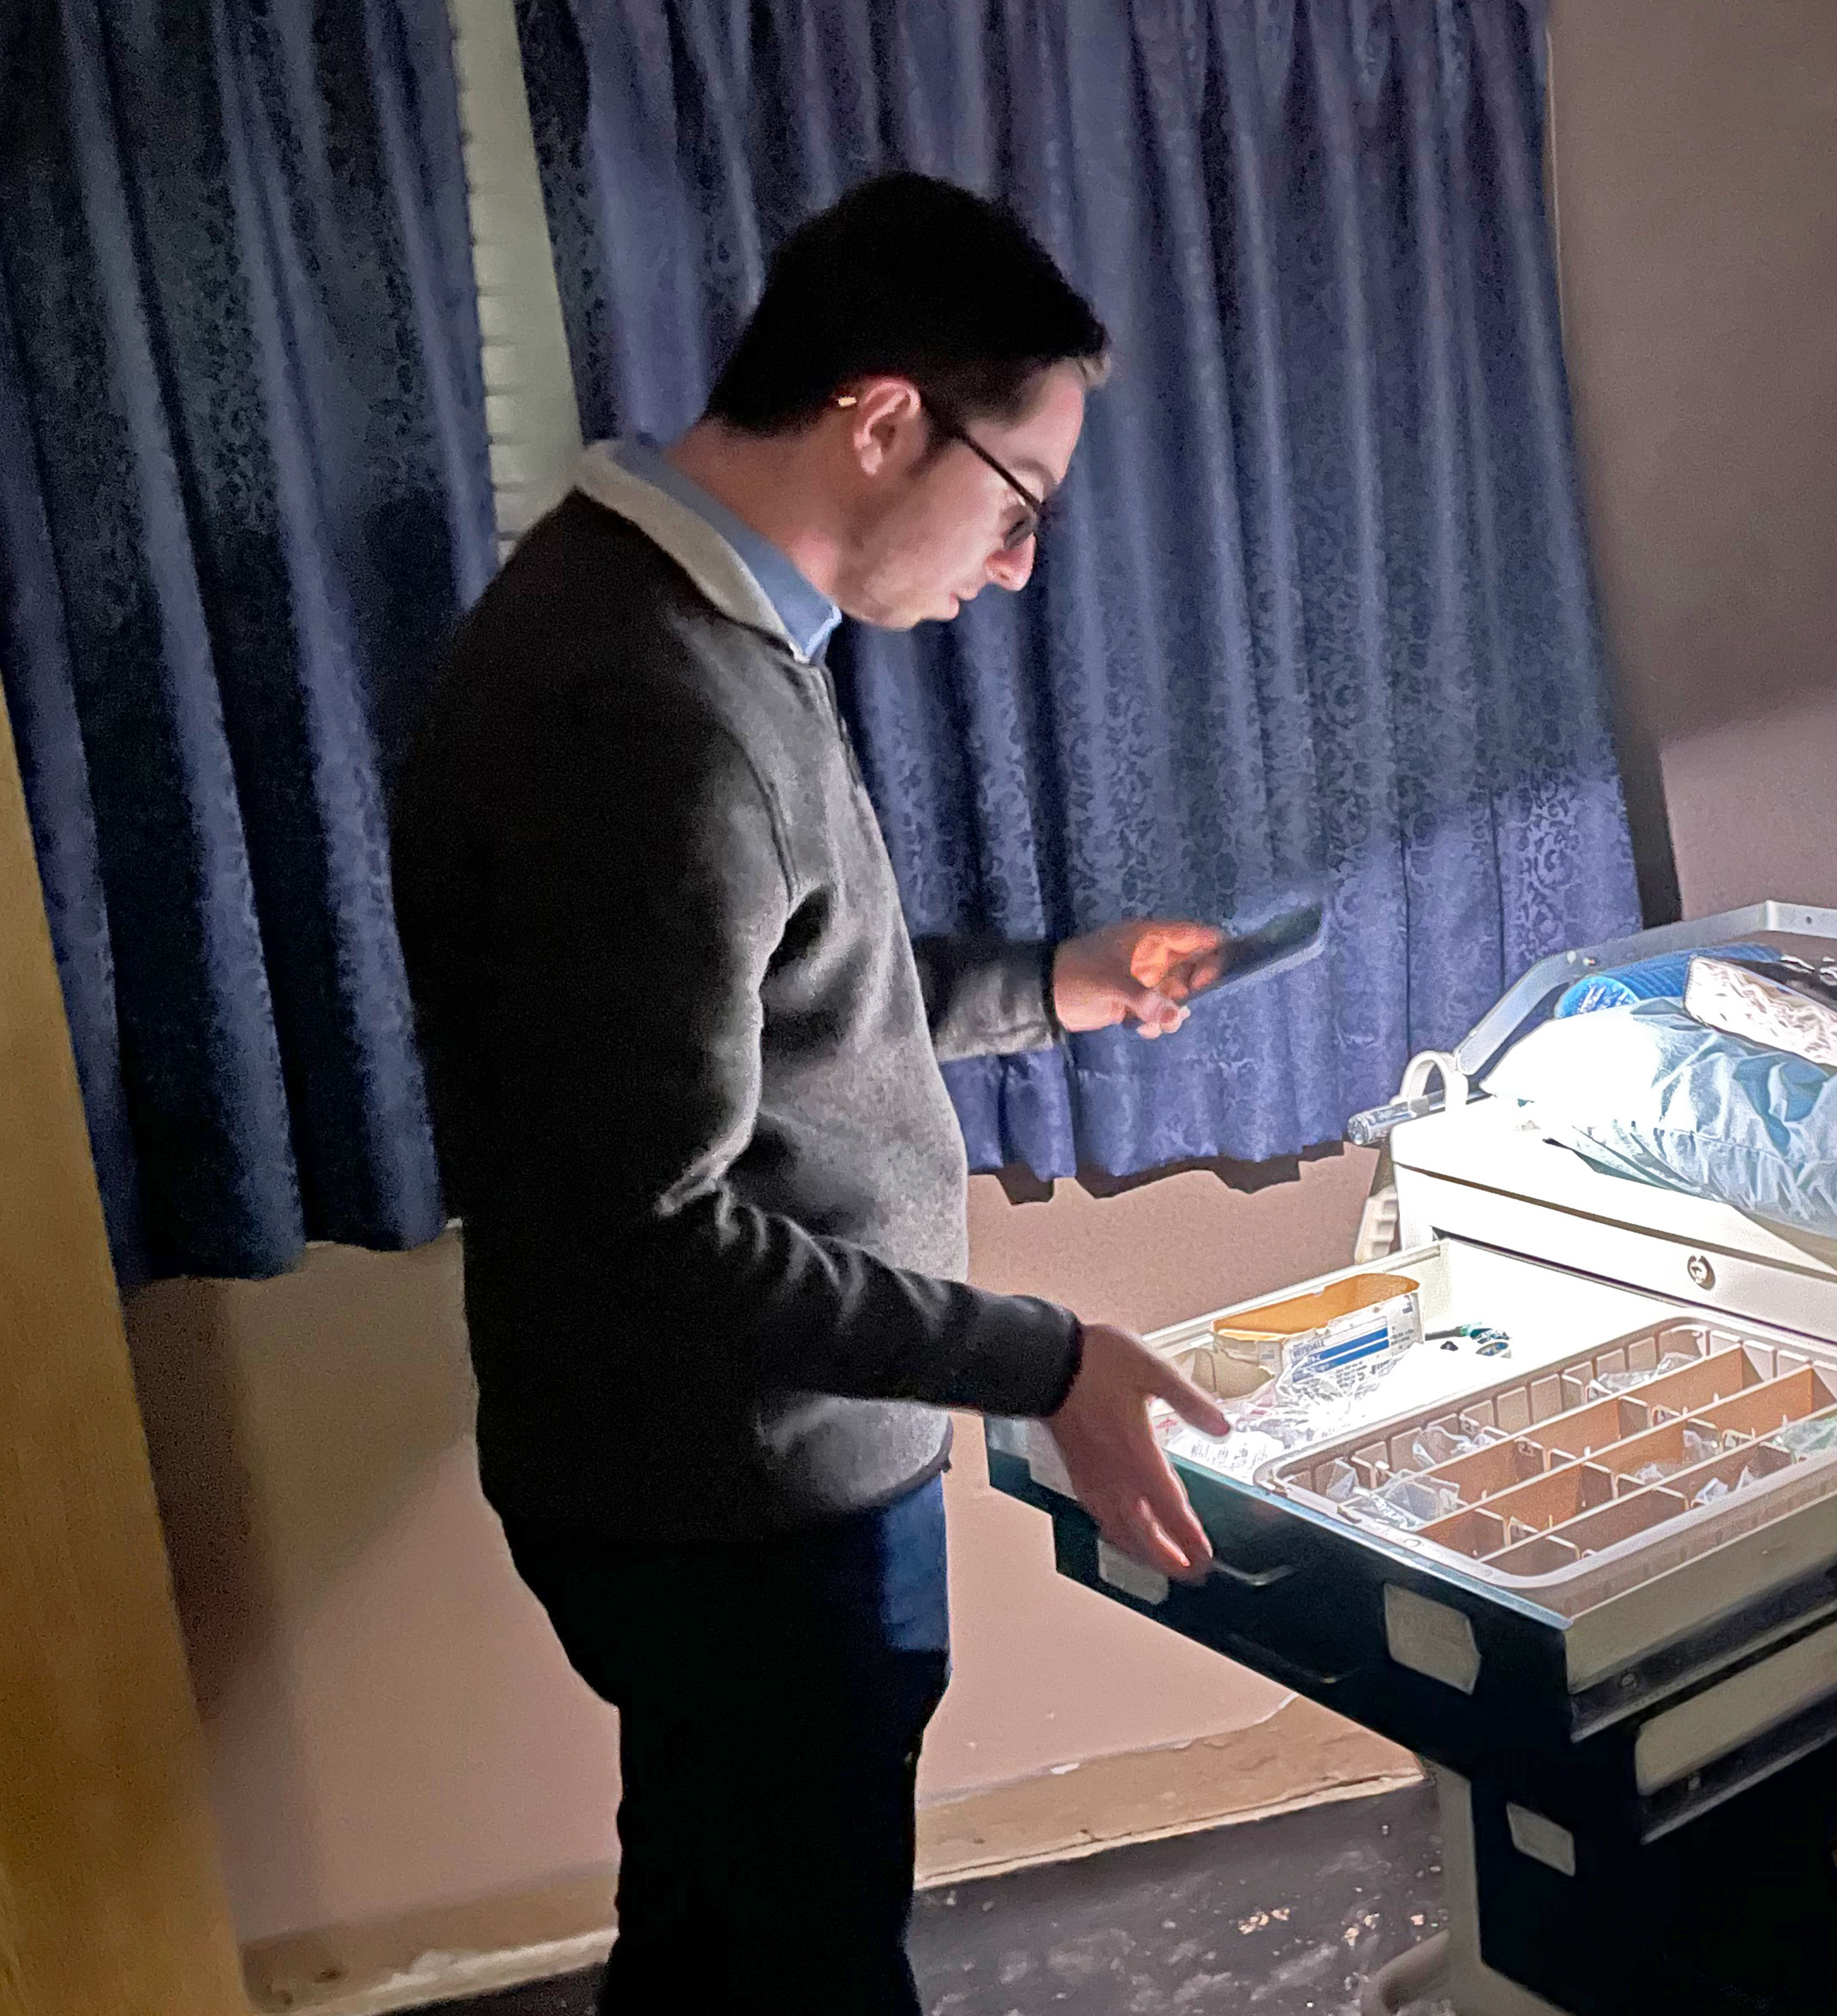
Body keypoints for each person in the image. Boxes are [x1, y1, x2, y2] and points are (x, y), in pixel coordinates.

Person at [390, 172, 1233, 2016]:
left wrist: (1055, 984)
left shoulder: (661, 609)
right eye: (1019, 505)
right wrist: (1049, 1355)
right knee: (786, 1953)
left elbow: (783, 1008)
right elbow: (649, 1226)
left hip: (718, 1467)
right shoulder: (650, 705)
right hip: (738, 1497)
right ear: (881, 421)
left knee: (740, 1911)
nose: (1017, 567)